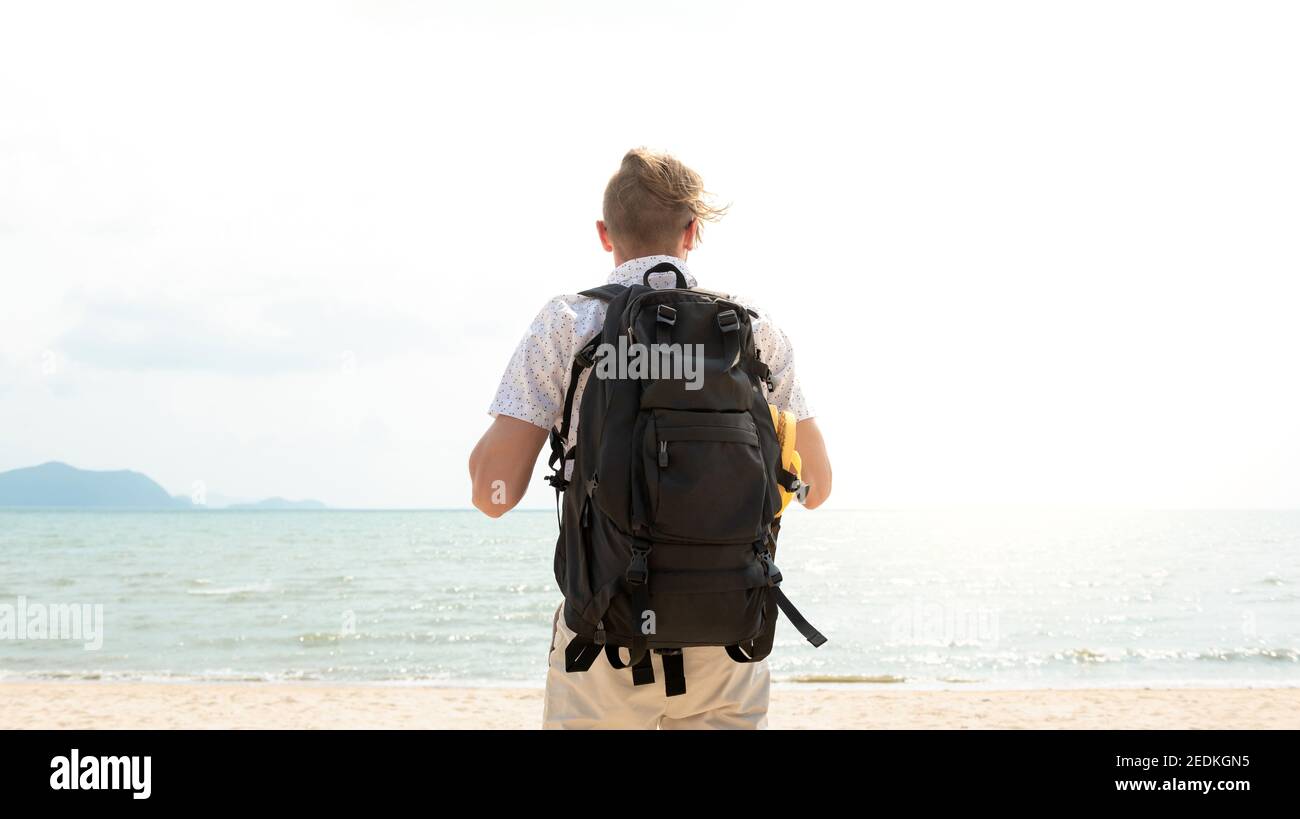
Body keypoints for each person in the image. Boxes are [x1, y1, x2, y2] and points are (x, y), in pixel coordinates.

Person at [468, 147, 832, 729]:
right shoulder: (755, 332)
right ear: (694, 230)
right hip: (728, 634)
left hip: (605, 638)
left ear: (603, 233)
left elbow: (495, 495)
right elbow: (817, 487)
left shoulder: (567, 323)